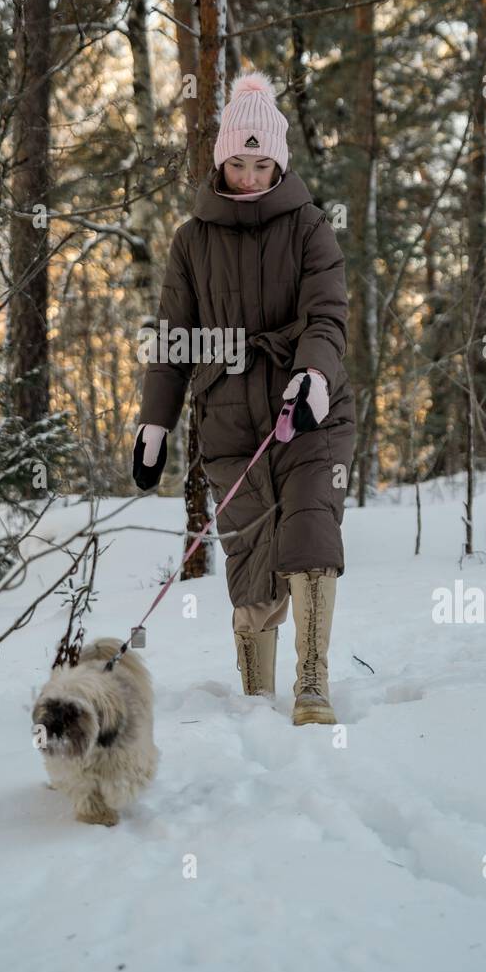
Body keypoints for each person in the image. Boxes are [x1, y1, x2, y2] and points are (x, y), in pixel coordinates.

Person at [132, 71, 356, 725]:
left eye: (263, 164)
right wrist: (155, 425)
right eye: (239, 162)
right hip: (229, 419)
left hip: (309, 410)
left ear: (280, 162)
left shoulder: (311, 226)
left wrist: (312, 375)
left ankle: (312, 684)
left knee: (311, 525)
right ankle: (256, 699)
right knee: (251, 553)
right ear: (220, 161)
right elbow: (173, 339)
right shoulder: (190, 240)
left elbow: (326, 316)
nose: (252, 176)